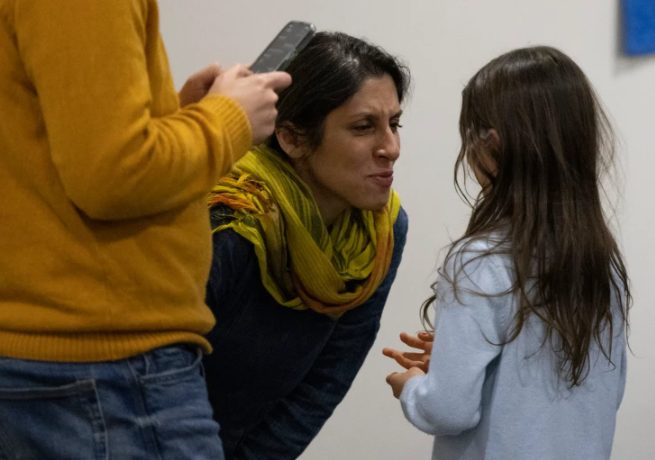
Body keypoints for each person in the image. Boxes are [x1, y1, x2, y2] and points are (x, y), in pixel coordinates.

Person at [0, 1, 290, 458]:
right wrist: (226, 120)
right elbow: (112, 177)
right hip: (107, 364)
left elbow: (54, 157)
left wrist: (180, 120)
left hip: (68, 359)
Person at [385, 46, 631, 460]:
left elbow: (449, 410)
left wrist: (411, 386)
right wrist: (455, 363)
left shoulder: (480, 261)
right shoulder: (604, 264)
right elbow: (601, 393)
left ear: (492, 143)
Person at [203, 31, 410, 459]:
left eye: (395, 123)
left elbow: (325, 380)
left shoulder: (383, 229)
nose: (390, 148)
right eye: (363, 127)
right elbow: (157, 374)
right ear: (293, 138)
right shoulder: (229, 221)